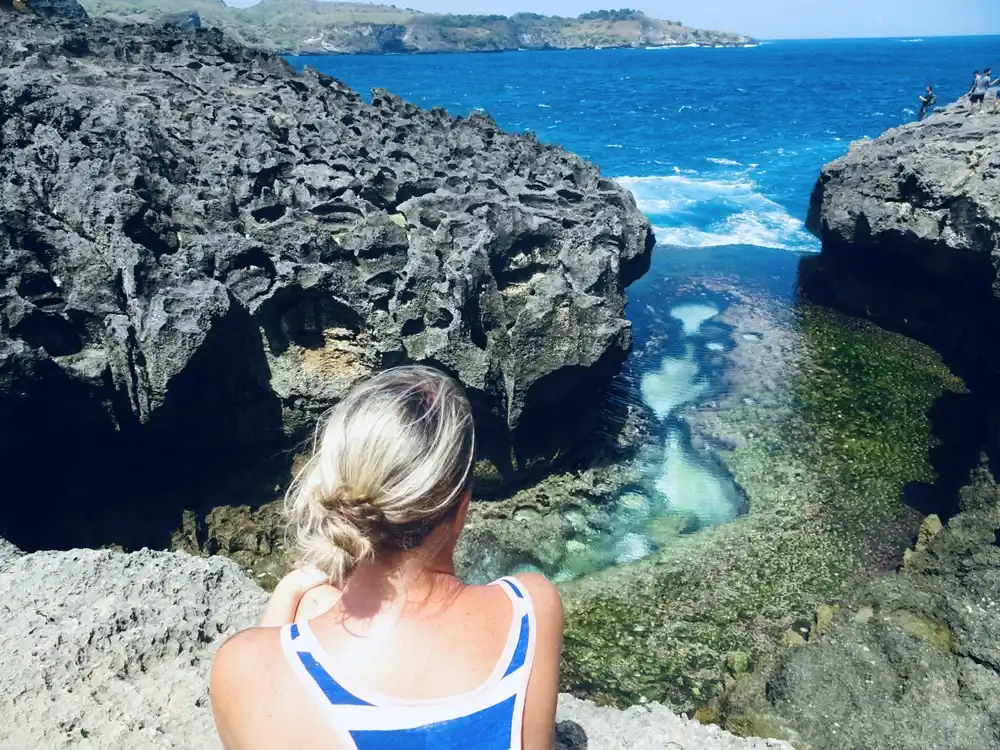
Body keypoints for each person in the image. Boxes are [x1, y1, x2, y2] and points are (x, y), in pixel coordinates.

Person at [210, 365, 564, 750]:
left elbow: (266, 678)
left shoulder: (239, 669)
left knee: (315, 602)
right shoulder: (533, 609)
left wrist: (292, 587)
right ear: (461, 508)